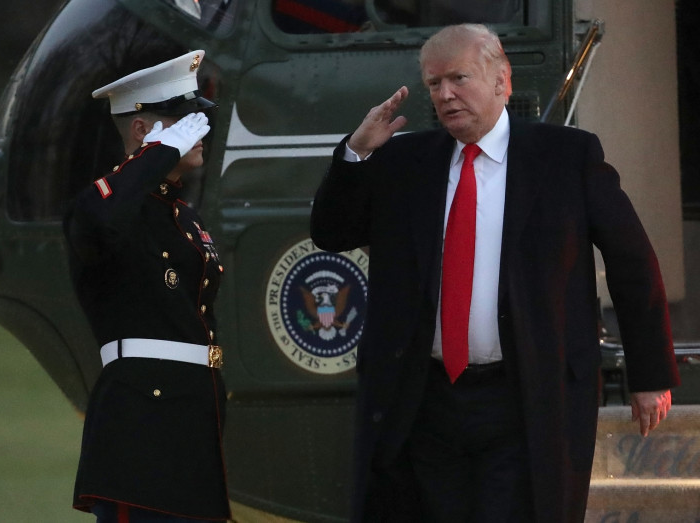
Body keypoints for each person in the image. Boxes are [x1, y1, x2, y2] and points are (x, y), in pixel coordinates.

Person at [310, 24, 680, 523]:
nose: (445, 94)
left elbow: (632, 260)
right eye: (434, 84)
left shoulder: (566, 157)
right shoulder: (403, 161)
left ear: (502, 80)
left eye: (458, 78)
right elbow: (332, 232)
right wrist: (356, 152)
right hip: (425, 401)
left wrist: (650, 373)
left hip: (527, 394)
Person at [64, 50, 231, 522]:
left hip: (193, 415)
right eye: (183, 121)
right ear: (142, 131)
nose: (198, 130)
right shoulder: (104, 204)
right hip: (141, 421)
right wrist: (157, 155)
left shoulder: (181, 215)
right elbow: (100, 223)